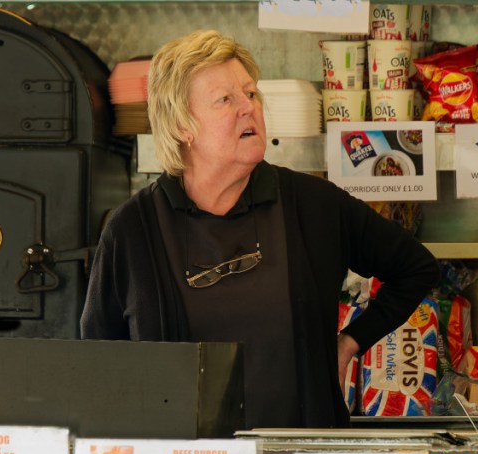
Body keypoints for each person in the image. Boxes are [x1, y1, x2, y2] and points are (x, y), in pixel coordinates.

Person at [81, 30, 438, 429]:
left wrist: (350, 343)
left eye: (250, 94)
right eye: (225, 100)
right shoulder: (131, 230)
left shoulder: (313, 205)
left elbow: (416, 267)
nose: (247, 108)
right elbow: (99, 364)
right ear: (183, 125)